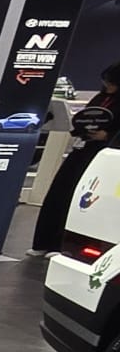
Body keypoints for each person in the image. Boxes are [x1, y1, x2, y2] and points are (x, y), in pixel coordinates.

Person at [32, 62, 120, 254]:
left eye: (112, 83)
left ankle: (61, 245)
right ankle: (43, 242)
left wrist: (107, 136)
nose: (107, 86)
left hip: (103, 155)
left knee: (79, 197)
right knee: (59, 192)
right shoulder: (101, 97)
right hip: (82, 149)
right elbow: (83, 118)